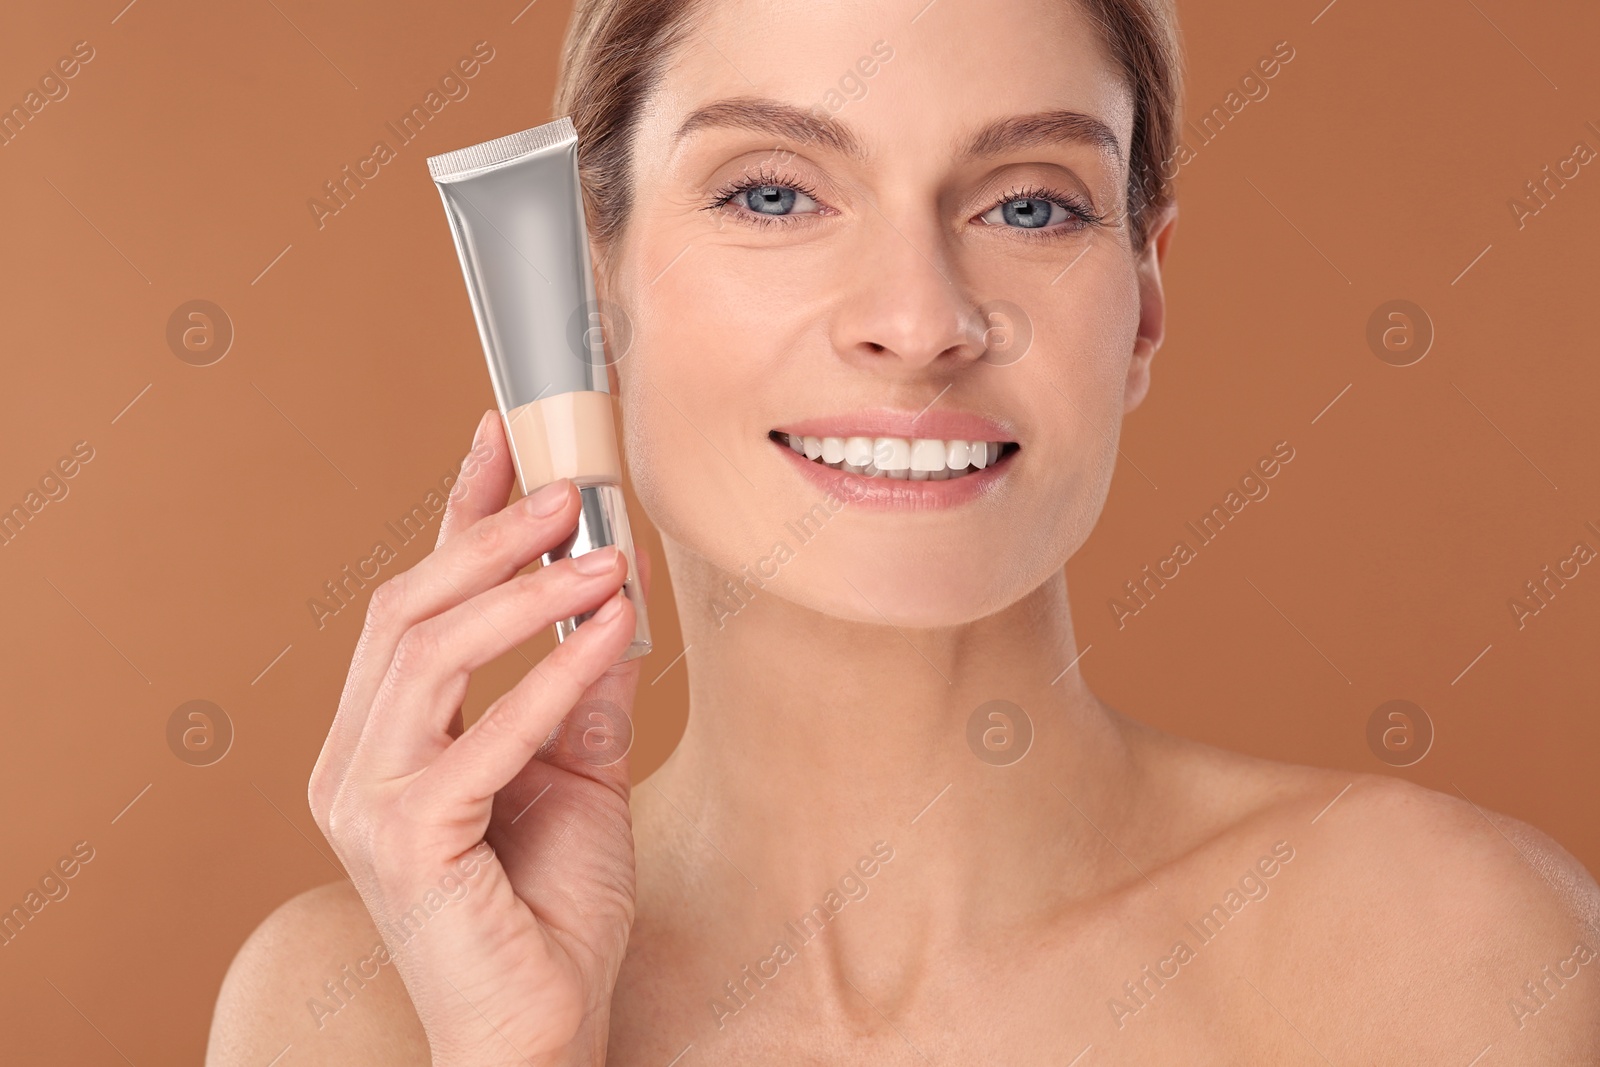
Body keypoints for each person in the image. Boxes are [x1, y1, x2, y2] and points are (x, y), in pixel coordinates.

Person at [206, 0, 1600, 1062]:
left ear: (1144, 307)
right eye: (775, 193)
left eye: (1029, 203)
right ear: (592, 291)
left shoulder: (1440, 947)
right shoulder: (357, 1010)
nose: (923, 320)